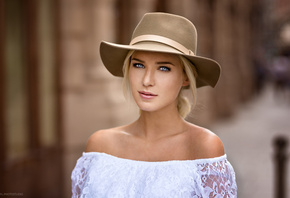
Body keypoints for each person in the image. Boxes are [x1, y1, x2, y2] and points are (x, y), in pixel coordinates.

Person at [71, 12, 237, 197]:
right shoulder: (100, 146)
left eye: (164, 68)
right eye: (138, 65)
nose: (147, 80)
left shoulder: (203, 146)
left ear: (185, 78)